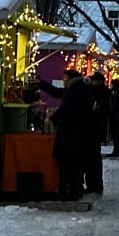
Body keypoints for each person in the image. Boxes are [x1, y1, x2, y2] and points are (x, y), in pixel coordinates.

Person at [46, 69, 94, 200]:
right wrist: (41, 84)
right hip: (81, 133)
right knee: (76, 164)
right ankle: (75, 190)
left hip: (70, 133)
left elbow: (66, 109)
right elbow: (57, 93)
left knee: (67, 164)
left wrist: (53, 119)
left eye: (65, 78)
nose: (63, 80)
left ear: (70, 79)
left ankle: (66, 191)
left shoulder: (73, 92)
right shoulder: (82, 90)